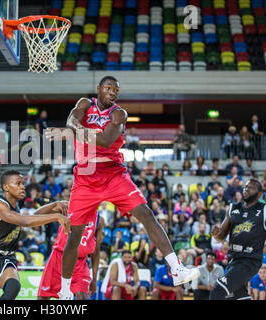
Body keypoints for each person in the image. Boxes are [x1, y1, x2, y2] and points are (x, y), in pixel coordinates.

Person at [45, 76, 200, 299]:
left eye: (116, 90)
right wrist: (71, 130)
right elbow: (71, 121)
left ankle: (176, 268)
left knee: (147, 215)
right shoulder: (85, 104)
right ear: (98, 89)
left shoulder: (119, 113)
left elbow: (106, 140)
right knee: (74, 235)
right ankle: (66, 287)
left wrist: (71, 133)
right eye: (108, 88)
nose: (112, 92)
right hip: (85, 176)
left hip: (113, 173)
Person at [0, 170, 70, 300]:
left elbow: (33, 217)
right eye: (18, 183)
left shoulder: (15, 207)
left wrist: (54, 205)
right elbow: (24, 221)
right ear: (6, 187)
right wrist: (56, 216)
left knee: (13, 286)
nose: (23, 186)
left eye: (23, 183)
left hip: (5, 258)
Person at [210, 179, 266, 300]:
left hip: (249, 261)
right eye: (245, 187)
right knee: (237, 296)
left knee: (217, 291)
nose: (246, 189)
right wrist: (217, 234)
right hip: (233, 260)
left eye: (250, 188)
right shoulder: (233, 208)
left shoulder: (264, 210)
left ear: (259, 193)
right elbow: (222, 235)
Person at [38, 214, 104, 300]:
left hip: (80, 263)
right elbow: (38, 213)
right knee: (43, 298)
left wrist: (94, 279)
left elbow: (96, 251)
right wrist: (56, 209)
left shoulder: (99, 220)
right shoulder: (68, 208)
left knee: (82, 296)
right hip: (58, 259)